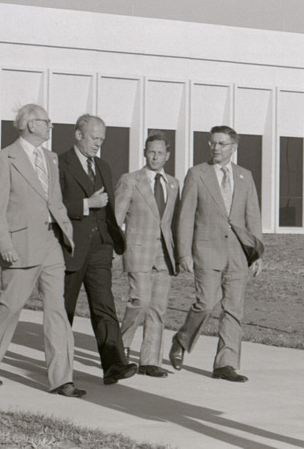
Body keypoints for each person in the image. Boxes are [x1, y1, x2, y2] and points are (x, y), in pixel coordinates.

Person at [0, 104, 85, 397]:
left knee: (57, 310)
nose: (51, 126)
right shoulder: (4, 158)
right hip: (20, 246)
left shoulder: (51, 158)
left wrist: (65, 232)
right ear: (30, 124)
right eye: (47, 121)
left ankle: (62, 379)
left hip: (51, 244)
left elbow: (54, 200)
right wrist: (4, 244)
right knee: (10, 307)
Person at [168, 125, 262, 382]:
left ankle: (225, 364)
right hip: (206, 250)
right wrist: (184, 253)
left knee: (233, 309)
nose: (215, 148)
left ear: (233, 147)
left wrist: (256, 253)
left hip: (238, 254)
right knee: (206, 302)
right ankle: (182, 339)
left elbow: (252, 217)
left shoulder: (245, 176)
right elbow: (185, 216)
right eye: (212, 143)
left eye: (221, 144)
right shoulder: (197, 174)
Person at [59, 114, 136, 385]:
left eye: (102, 139)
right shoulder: (59, 163)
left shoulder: (103, 165)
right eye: (94, 138)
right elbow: (53, 205)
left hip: (100, 249)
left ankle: (114, 365)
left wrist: (113, 240)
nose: (98, 144)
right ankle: (60, 371)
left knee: (105, 307)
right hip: (70, 249)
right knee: (63, 310)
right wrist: (86, 203)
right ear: (78, 135)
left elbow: (110, 206)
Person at [115, 132, 179, 378]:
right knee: (139, 301)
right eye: (151, 151)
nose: (155, 156)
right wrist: (115, 250)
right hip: (138, 252)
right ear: (144, 152)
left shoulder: (173, 184)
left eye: (160, 153)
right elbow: (117, 219)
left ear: (167, 155)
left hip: (164, 255)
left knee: (157, 308)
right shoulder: (130, 181)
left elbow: (172, 222)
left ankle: (150, 361)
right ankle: (120, 349)